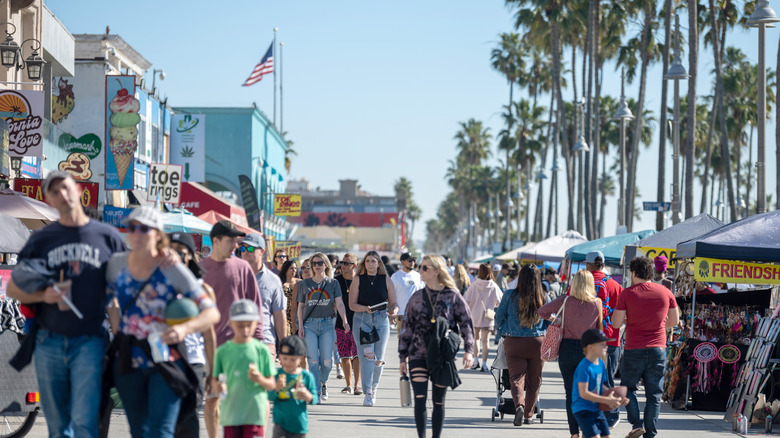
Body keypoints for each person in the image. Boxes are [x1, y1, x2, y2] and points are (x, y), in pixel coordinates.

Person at [7, 171, 125, 438]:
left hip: (90, 341)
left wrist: (122, 341)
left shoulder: (108, 237)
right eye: (54, 191)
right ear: (49, 199)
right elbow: (14, 288)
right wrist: (43, 295)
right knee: (59, 425)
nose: (62, 194)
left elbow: (117, 295)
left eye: (66, 187)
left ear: (78, 189)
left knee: (86, 419)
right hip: (50, 341)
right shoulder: (42, 239)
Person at [106, 207, 220, 438]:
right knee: (138, 431)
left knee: (161, 431)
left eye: (144, 228)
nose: (136, 234)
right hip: (130, 361)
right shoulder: (117, 264)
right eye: (132, 228)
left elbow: (211, 312)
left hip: (165, 361)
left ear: (158, 234)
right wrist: (118, 330)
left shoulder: (171, 267)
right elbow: (106, 299)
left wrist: (183, 329)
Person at [398, 255, 474, 438]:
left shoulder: (453, 296)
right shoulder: (416, 297)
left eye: (425, 268)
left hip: (441, 355)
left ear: (437, 271)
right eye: (421, 267)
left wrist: (469, 351)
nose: (420, 271)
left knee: (438, 402)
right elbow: (407, 328)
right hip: (417, 354)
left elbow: (466, 323)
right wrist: (402, 357)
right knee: (420, 400)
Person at [201, 220, 263, 431]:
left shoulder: (243, 267)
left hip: (238, 346)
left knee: (239, 400)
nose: (236, 246)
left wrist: (259, 342)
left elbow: (255, 305)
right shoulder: (200, 269)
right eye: (231, 241)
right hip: (207, 348)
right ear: (216, 241)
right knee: (212, 398)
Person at [611, 257, 679, 438]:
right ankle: (650, 434)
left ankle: (636, 423)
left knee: (627, 388)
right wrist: (656, 326)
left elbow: (616, 323)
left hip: (635, 348)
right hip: (658, 348)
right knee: (654, 395)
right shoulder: (666, 292)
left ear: (633, 273)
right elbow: (674, 321)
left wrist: (631, 320)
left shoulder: (627, 294)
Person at [539, 270, 603, 438]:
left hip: (567, 349)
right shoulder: (597, 303)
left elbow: (542, 312)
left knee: (571, 393)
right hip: (587, 352)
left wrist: (558, 320)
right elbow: (599, 331)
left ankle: (573, 433)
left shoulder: (565, 301)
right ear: (591, 284)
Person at [170, 232, 219, 438]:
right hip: (165, 360)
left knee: (189, 422)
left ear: (190, 255)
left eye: (181, 252)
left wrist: (213, 372)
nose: (175, 256)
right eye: (171, 250)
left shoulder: (202, 288)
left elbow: (209, 336)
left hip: (193, 362)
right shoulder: (156, 284)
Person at [213, 300, 276, 438]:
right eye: (240, 326)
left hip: (254, 414)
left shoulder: (261, 350)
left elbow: (271, 384)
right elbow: (215, 381)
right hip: (231, 415)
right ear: (230, 323)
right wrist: (219, 386)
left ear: (256, 323)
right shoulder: (223, 351)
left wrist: (259, 379)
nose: (245, 330)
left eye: (249, 325)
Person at [495, 264, 548, 426]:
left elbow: (498, 318)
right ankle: (529, 415)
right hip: (537, 342)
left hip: (514, 342)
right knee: (534, 380)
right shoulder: (544, 297)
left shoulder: (510, 295)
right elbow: (550, 320)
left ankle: (519, 406)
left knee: (516, 378)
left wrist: (504, 331)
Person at [296, 252, 350, 401]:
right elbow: (300, 307)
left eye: (320, 263)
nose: (317, 266)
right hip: (310, 325)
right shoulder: (304, 284)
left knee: (326, 361)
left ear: (326, 265)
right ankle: (316, 391)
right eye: (314, 263)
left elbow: (339, 303)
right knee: (313, 360)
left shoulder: (333, 283)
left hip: (327, 324)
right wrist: (300, 326)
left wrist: (345, 320)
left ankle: (323, 382)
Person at [348, 250, 399, 406]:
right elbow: (352, 305)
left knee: (379, 359)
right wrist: (365, 308)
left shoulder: (386, 280)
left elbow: (394, 303)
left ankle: (374, 387)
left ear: (378, 264)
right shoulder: (357, 280)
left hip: (382, 319)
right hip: (363, 320)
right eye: (368, 261)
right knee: (367, 357)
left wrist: (394, 311)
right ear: (364, 263)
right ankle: (368, 392)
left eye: (373, 261)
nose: (370, 264)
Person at [584, 250, 624, 427]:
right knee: (607, 379)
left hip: (589, 340)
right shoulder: (616, 285)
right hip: (611, 339)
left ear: (590, 264)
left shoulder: (582, 283)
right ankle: (612, 415)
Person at [572, 329, 628, 438]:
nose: (606, 347)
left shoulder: (601, 364)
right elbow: (584, 393)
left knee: (606, 436)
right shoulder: (584, 367)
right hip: (582, 409)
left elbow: (600, 386)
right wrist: (607, 400)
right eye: (602, 345)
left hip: (596, 408)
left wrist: (618, 397)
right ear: (590, 347)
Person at [239, 234, 287, 358]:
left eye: (250, 249)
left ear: (262, 251)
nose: (245, 252)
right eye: (243, 249)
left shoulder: (273, 280)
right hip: (236, 343)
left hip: (264, 343)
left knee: (263, 378)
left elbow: (279, 313)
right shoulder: (233, 276)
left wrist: (285, 346)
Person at [269, 335, 318, 438]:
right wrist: (276, 388)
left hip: (299, 424)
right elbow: (269, 396)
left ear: (300, 358)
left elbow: (315, 398)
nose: (288, 362)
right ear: (280, 356)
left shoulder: (306, 376)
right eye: (285, 358)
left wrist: (308, 396)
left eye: (293, 359)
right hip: (280, 423)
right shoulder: (276, 374)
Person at [462, 263, 503, 372]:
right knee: (486, 341)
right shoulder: (493, 286)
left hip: (474, 316)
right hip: (488, 317)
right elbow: (500, 301)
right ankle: (484, 364)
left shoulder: (474, 285)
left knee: (476, 339)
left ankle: (476, 360)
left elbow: (465, 300)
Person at [334, 253, 361, 395]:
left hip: (358, 322)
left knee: (357, 355)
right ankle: (348, 385)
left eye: (346, 263)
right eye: (342, 263)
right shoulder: (336, 281)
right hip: (341, 323)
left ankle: (357, 385)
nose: (343, 265)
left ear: (354, 266)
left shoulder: (360, 280)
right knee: (344, 355)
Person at [390, 252, 425, 340]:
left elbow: (424, 293)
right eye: (410, 260)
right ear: (402, 262)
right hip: (401, 314)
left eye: (414, 260)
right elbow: (390, 295)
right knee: (403, 341)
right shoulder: (396, 276)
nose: (412, 262)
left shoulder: (418, 276)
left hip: (417, 314)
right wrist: (391, 313)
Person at [278, 259, 300, 336]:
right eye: (291, 268)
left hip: (296, 315)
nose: (294, 270)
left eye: (295, 268)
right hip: (284, 315)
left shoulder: (299, 282)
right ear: (286, 269)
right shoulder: (279, 282)